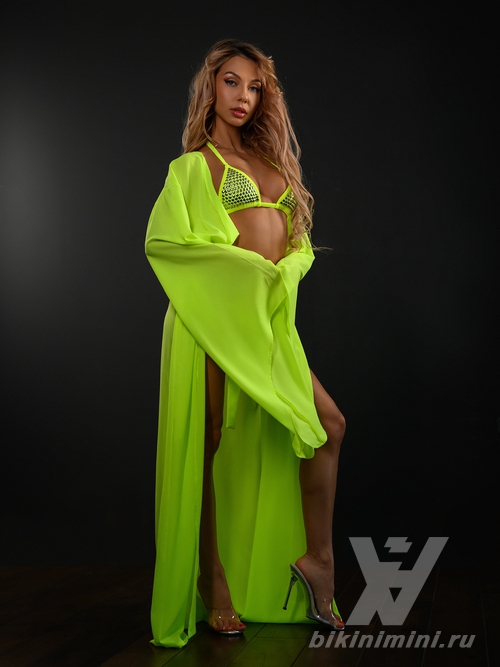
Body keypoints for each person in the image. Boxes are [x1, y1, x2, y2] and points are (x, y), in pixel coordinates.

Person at [145, 38, 346, 649]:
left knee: (327, 425)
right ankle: (214, 584)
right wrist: (248, 268)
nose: (243, 96)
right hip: (211, 319)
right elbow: (168, 243)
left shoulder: (272, 163)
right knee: (207, 442)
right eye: (232, 82)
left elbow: (298, 241)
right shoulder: (193, 167)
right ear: (211, 87)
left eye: (255, 87)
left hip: (265, 324)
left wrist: (289, 267)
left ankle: (318, 562)